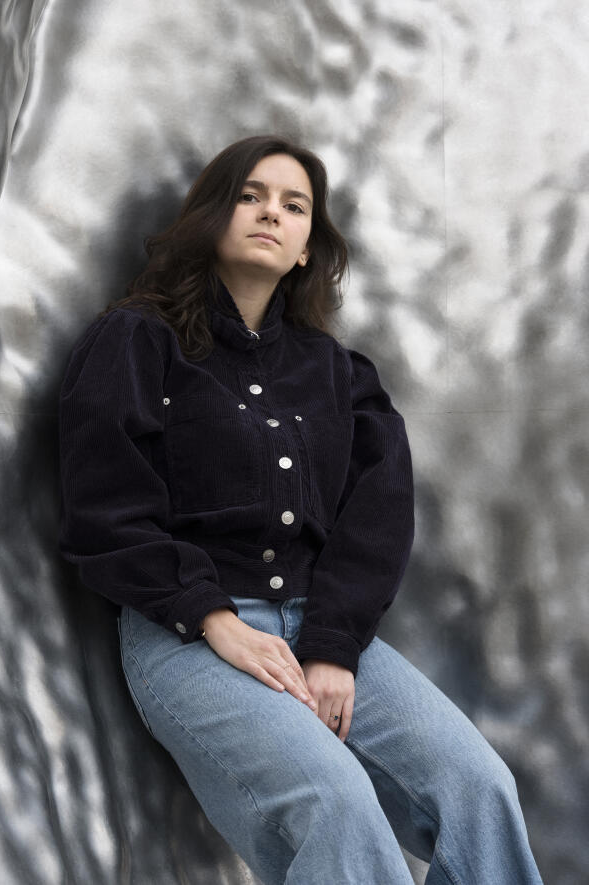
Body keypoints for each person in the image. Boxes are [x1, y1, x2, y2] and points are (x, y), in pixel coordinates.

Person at [58, 135, 543, 884]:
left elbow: (377, 517)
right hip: (186, 637)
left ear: (309, 247)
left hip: (325, 629)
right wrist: (215, 618)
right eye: (250, 195)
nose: (270, 214)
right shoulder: (134, 340)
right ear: (212, 216)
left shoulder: (337, 371)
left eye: (294, 206)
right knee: (337, 800)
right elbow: (104, 506)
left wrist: (333, 646)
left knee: (481, 787)